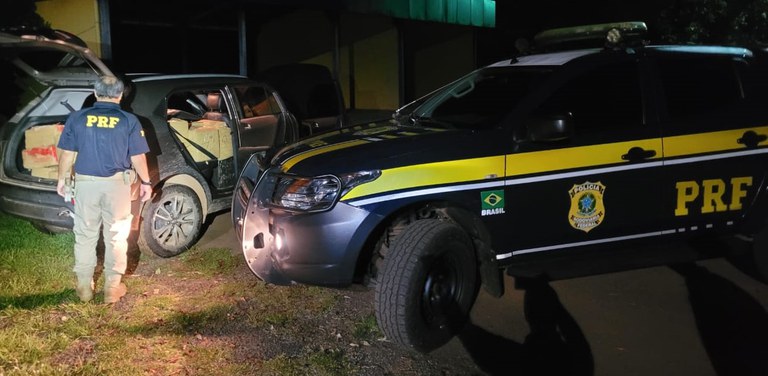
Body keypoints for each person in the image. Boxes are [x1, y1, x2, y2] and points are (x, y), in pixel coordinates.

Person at [56, 75, 152, 304]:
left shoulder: (77, 118)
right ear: (120, 94)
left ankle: (83, 287)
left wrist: (61, 179)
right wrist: (147, 182)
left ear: (95, 92)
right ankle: (112, 288)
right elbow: (138, 156)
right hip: (117, 186)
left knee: (85, 235)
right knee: (117, 236)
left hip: (85, 185)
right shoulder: (129, 121)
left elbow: (67, 153)